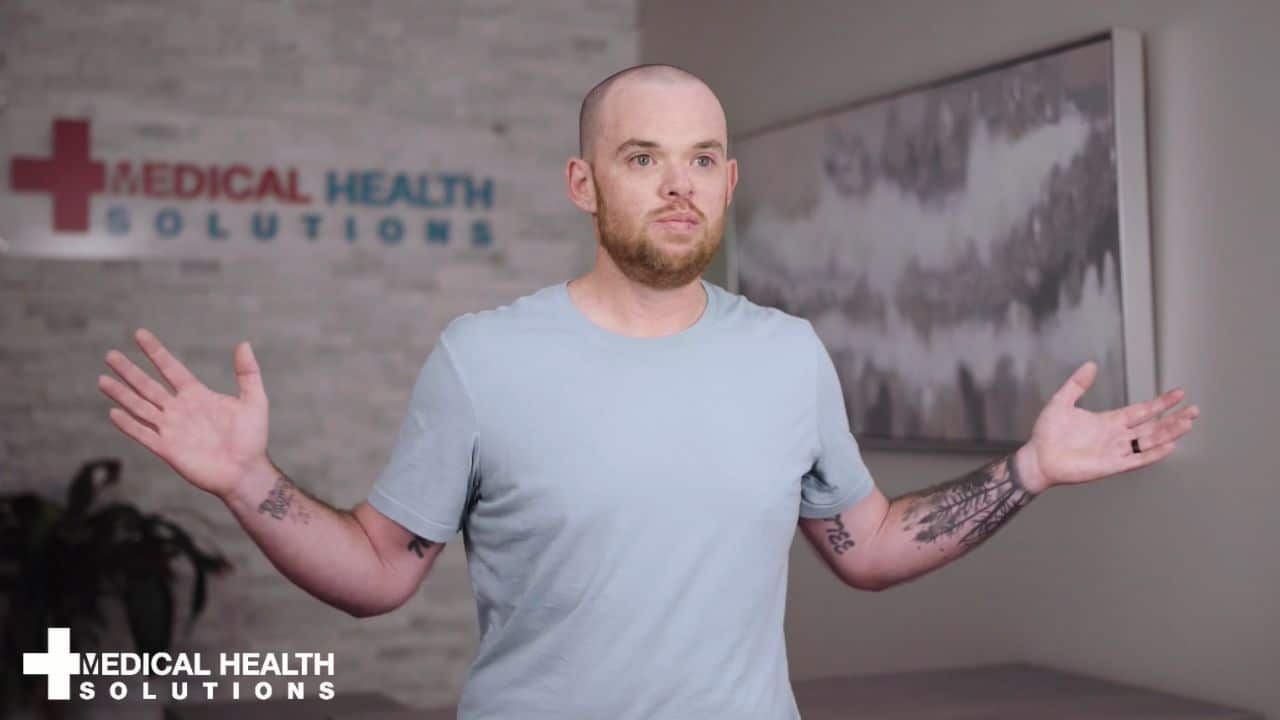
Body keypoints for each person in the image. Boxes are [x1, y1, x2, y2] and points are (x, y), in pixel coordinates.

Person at [97, 64, 1200, 719]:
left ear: (725, 180)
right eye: (641, 157)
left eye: (702, 158)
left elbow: (862, 548)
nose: (678, 185)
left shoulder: (786, 354)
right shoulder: (482, 358)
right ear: (583, 183)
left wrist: (1030, 470)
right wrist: (248, 480)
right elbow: (380, 574)